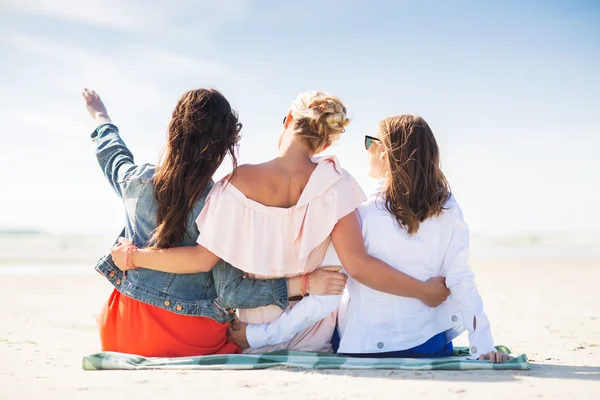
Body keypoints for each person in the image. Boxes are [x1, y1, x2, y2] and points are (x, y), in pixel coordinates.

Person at [111, 91, 450, 354]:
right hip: (311, 331)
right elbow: (359, 267)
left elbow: (206, 264)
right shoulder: (339, 185)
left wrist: (134, 256)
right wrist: (424, 291)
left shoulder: (236, 183)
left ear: (289, 119)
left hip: (248, 329)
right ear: (329, 140)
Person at [83, 88, 347, 357]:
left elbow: (112, 154)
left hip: (120, 331)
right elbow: (232, 292)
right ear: (227, 145)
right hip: (191, 338)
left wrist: (101, 118)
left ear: (172, 130)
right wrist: (302, 284)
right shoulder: (223, 200)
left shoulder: (134, 181)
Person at [226, 114, 510, 363]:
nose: (366, 151)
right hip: (428, 345)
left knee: (330, 289)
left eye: (369, 142)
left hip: (362, 346)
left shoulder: (356, 210)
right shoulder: (447, 206)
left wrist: (259, 336)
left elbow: (327, 295)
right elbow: (460, 278)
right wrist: (483, 345)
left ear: (384, 152)